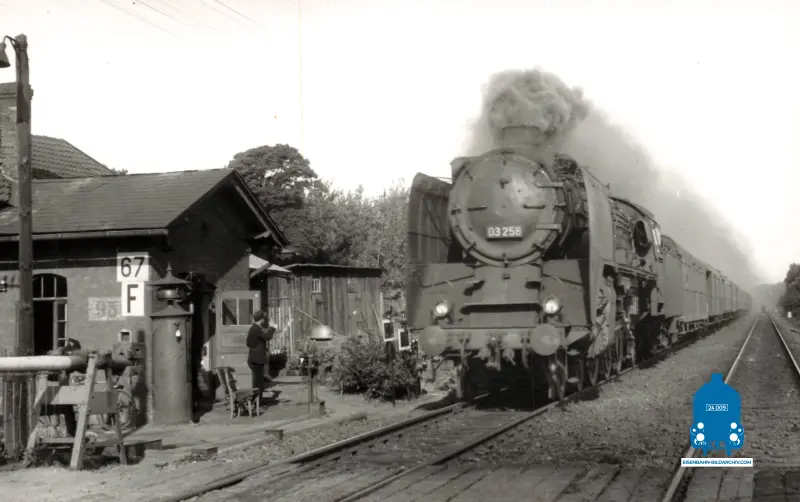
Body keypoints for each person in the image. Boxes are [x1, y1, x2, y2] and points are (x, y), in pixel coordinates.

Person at [246, 310, 276, 400]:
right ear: (261, 319)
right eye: (264, 318)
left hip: (255, 359)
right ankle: (257, 402)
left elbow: (248, 343)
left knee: (257, 382)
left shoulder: (254, 328)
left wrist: (256, 346)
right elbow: (268, 337)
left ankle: (257, 401)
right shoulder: (256, 329)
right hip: (257, 360)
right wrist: (272, 327)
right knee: (258, 383)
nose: (265, 320)